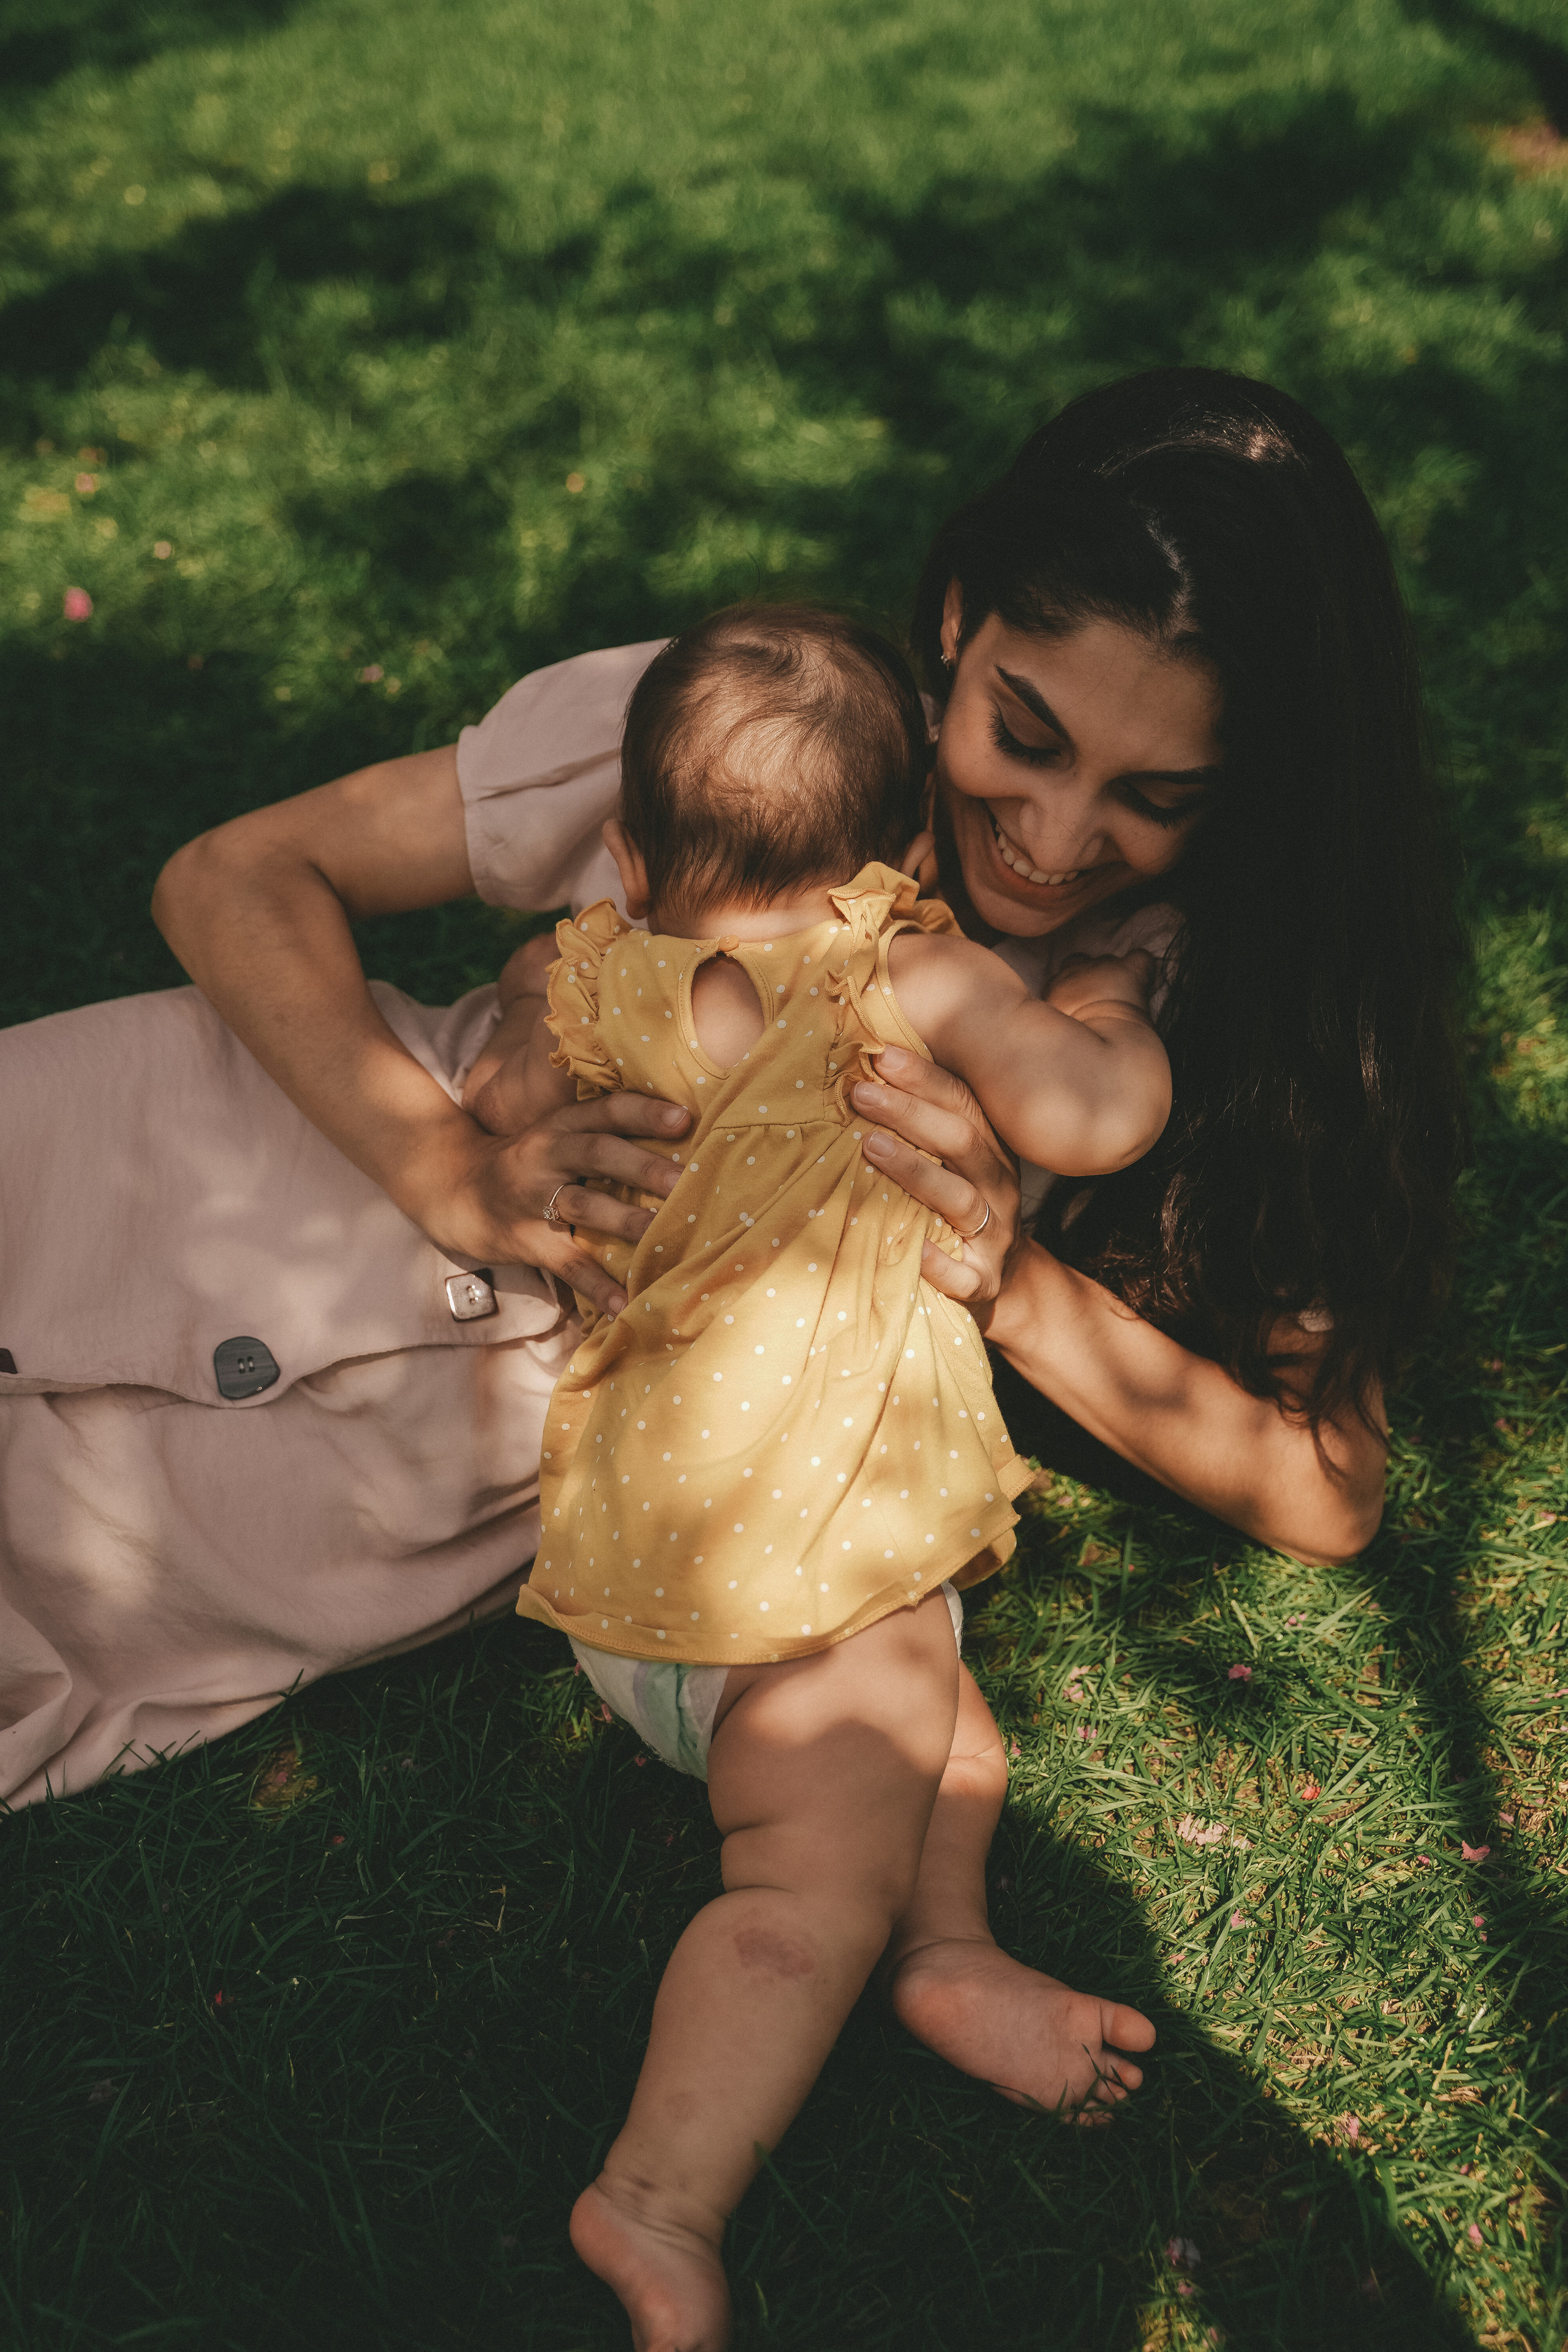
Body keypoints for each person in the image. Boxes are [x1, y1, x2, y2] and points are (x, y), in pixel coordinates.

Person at [0, 368, 1460, 2127]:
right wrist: (448, 1162)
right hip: (174, 1166)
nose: (1061, 839)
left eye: (1160, 794)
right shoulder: (736, 725)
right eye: (1026, 732)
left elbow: (1326, 1485)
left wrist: (1004, 1273)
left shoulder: (1152, 1004)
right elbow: (232, 878)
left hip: (344, 1505)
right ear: (953, 626)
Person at [517, 604, 1166, 2348]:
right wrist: (1116, 1008)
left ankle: (946, 1953)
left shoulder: (605, 977)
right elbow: (1091, 1116)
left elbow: (535, 1076)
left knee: (954, 1731)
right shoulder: (898, 961)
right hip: (798, 1588)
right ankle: (657, 2193)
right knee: (803, 1888)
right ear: (891, 858)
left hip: (637, 1575)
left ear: (634, 850)